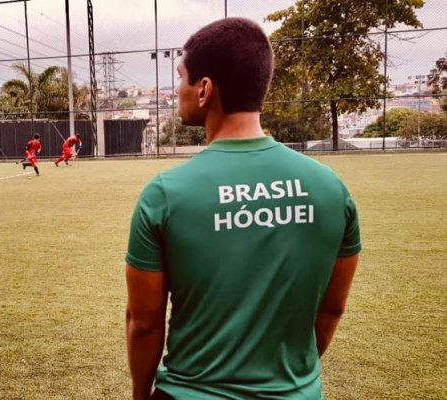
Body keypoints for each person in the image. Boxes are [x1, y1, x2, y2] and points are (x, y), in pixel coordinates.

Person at [125, 18, 361, 400]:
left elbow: (145, 322)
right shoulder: (331, 189)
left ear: (204, 89)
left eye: (181, 77)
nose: (176, 90)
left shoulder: (165, 194)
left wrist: (140, 395)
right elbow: (331, 311)